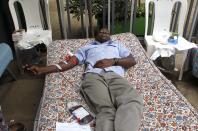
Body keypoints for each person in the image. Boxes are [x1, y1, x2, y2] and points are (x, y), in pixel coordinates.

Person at [28, 28, 143, 131]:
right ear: (95, 35)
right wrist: (42, 69)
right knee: (106, 110)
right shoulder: (86, 48)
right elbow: (69, 63)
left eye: (107, 32)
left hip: (114, 75)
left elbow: (132, 60)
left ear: (110, 36)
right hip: (93, 76)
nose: (104, 33)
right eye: (101, 31)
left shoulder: (117, 44)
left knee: (132, 101)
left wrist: (113, 61)